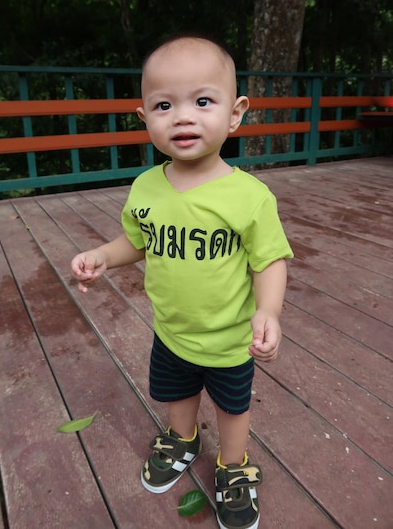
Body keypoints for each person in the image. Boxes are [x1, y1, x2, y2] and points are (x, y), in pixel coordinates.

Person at [71, 35, 293, 529]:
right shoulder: (146, 187)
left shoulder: (248, 196)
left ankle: (233, 468)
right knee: (176, 394)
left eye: (203, 101)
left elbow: (271, 260)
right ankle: (183, 439)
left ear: (235, 114)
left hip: (231, 340)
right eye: (165, 105)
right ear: (144, 116)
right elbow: (137, 241)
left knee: (233, 409)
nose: (184, 117)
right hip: (170, 329)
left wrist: (269, 311)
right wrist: (103, 256)